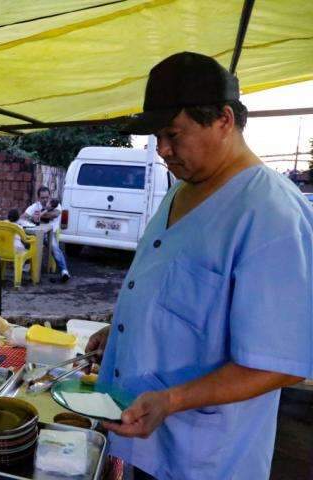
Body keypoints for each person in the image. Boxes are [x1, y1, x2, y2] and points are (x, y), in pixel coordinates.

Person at [85, 52, 312, 479]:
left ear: (224, 120)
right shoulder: (181, 190)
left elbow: (281, 360)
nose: (162, 151)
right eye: (156, 137)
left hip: (203, 458)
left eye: (173, 134)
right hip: (144, 444)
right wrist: (122, 330)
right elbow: (177, 301)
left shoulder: (270, 213)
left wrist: (171, 401)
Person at [22, 186, 70, 282]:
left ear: (50, 196)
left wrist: (41, 213)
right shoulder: (36, 206)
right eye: (42, 198)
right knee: (23, 238)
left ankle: (64, 271)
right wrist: (32, 217)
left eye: (47, 197)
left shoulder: (55, 204)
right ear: (38, 198)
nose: (45, 200)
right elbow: (23, 217)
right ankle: (26, 265)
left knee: (54, 247)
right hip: (37, 234)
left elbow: (55, 214)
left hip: (50, 234)